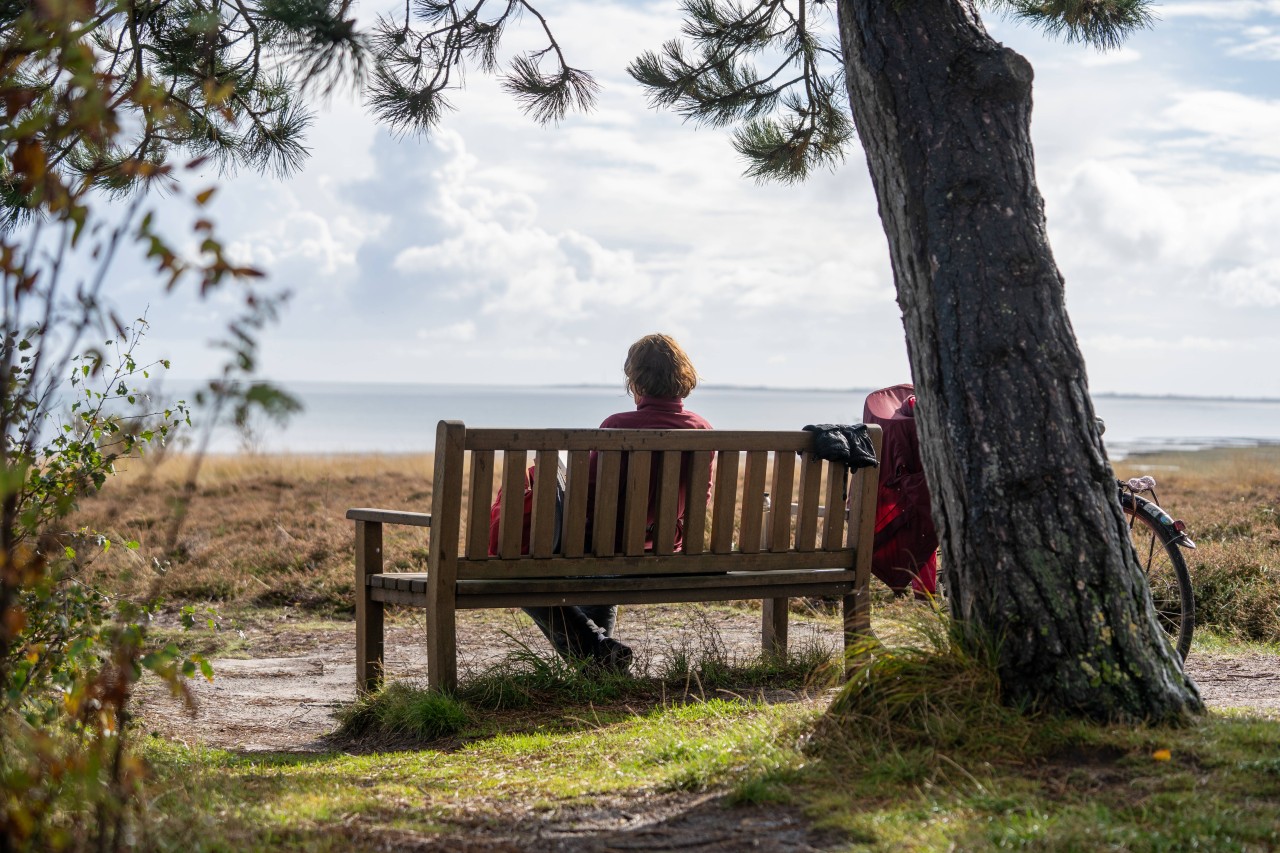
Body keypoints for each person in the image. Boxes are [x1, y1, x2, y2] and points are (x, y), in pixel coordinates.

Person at [522, 333, 713, 673]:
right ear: (683, 378)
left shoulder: (616, 426)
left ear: (635, 381)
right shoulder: (702, 428)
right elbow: (701, 500)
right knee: (603, 554)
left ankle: (596, 652)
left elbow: (589, 498)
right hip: (669, 547)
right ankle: (600, 664)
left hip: (606, 548)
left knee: (519, 574)